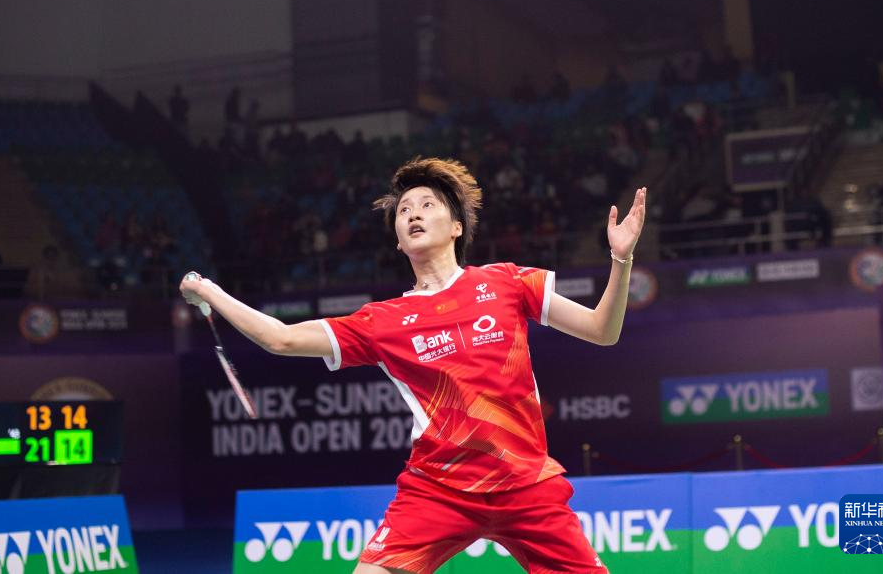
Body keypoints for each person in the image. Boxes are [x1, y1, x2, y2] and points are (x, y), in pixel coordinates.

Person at [180, 157, 647, 574]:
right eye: (404, 211)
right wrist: (209, 292)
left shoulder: (506, 282)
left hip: (525, 481)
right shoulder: (384, 321)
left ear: (457, 226)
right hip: (439, 487)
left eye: (427, 205)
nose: (413, 214)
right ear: (400, 243)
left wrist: (621, 258)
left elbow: (602, 331)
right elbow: (280, 339)